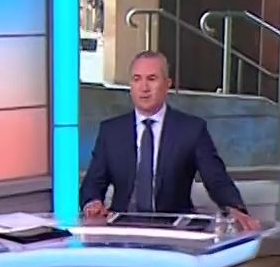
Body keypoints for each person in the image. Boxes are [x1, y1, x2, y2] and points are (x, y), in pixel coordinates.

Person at [80, 51, 260, 229]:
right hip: (122, 229)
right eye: (137, 79)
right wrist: (92, 203)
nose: (144, 87)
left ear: (167, 85)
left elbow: (216, 179)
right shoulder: (111, 131)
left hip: (175, 230)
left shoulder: (191, 129)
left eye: (151, 79)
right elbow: (93, 183)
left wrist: (234, 208)